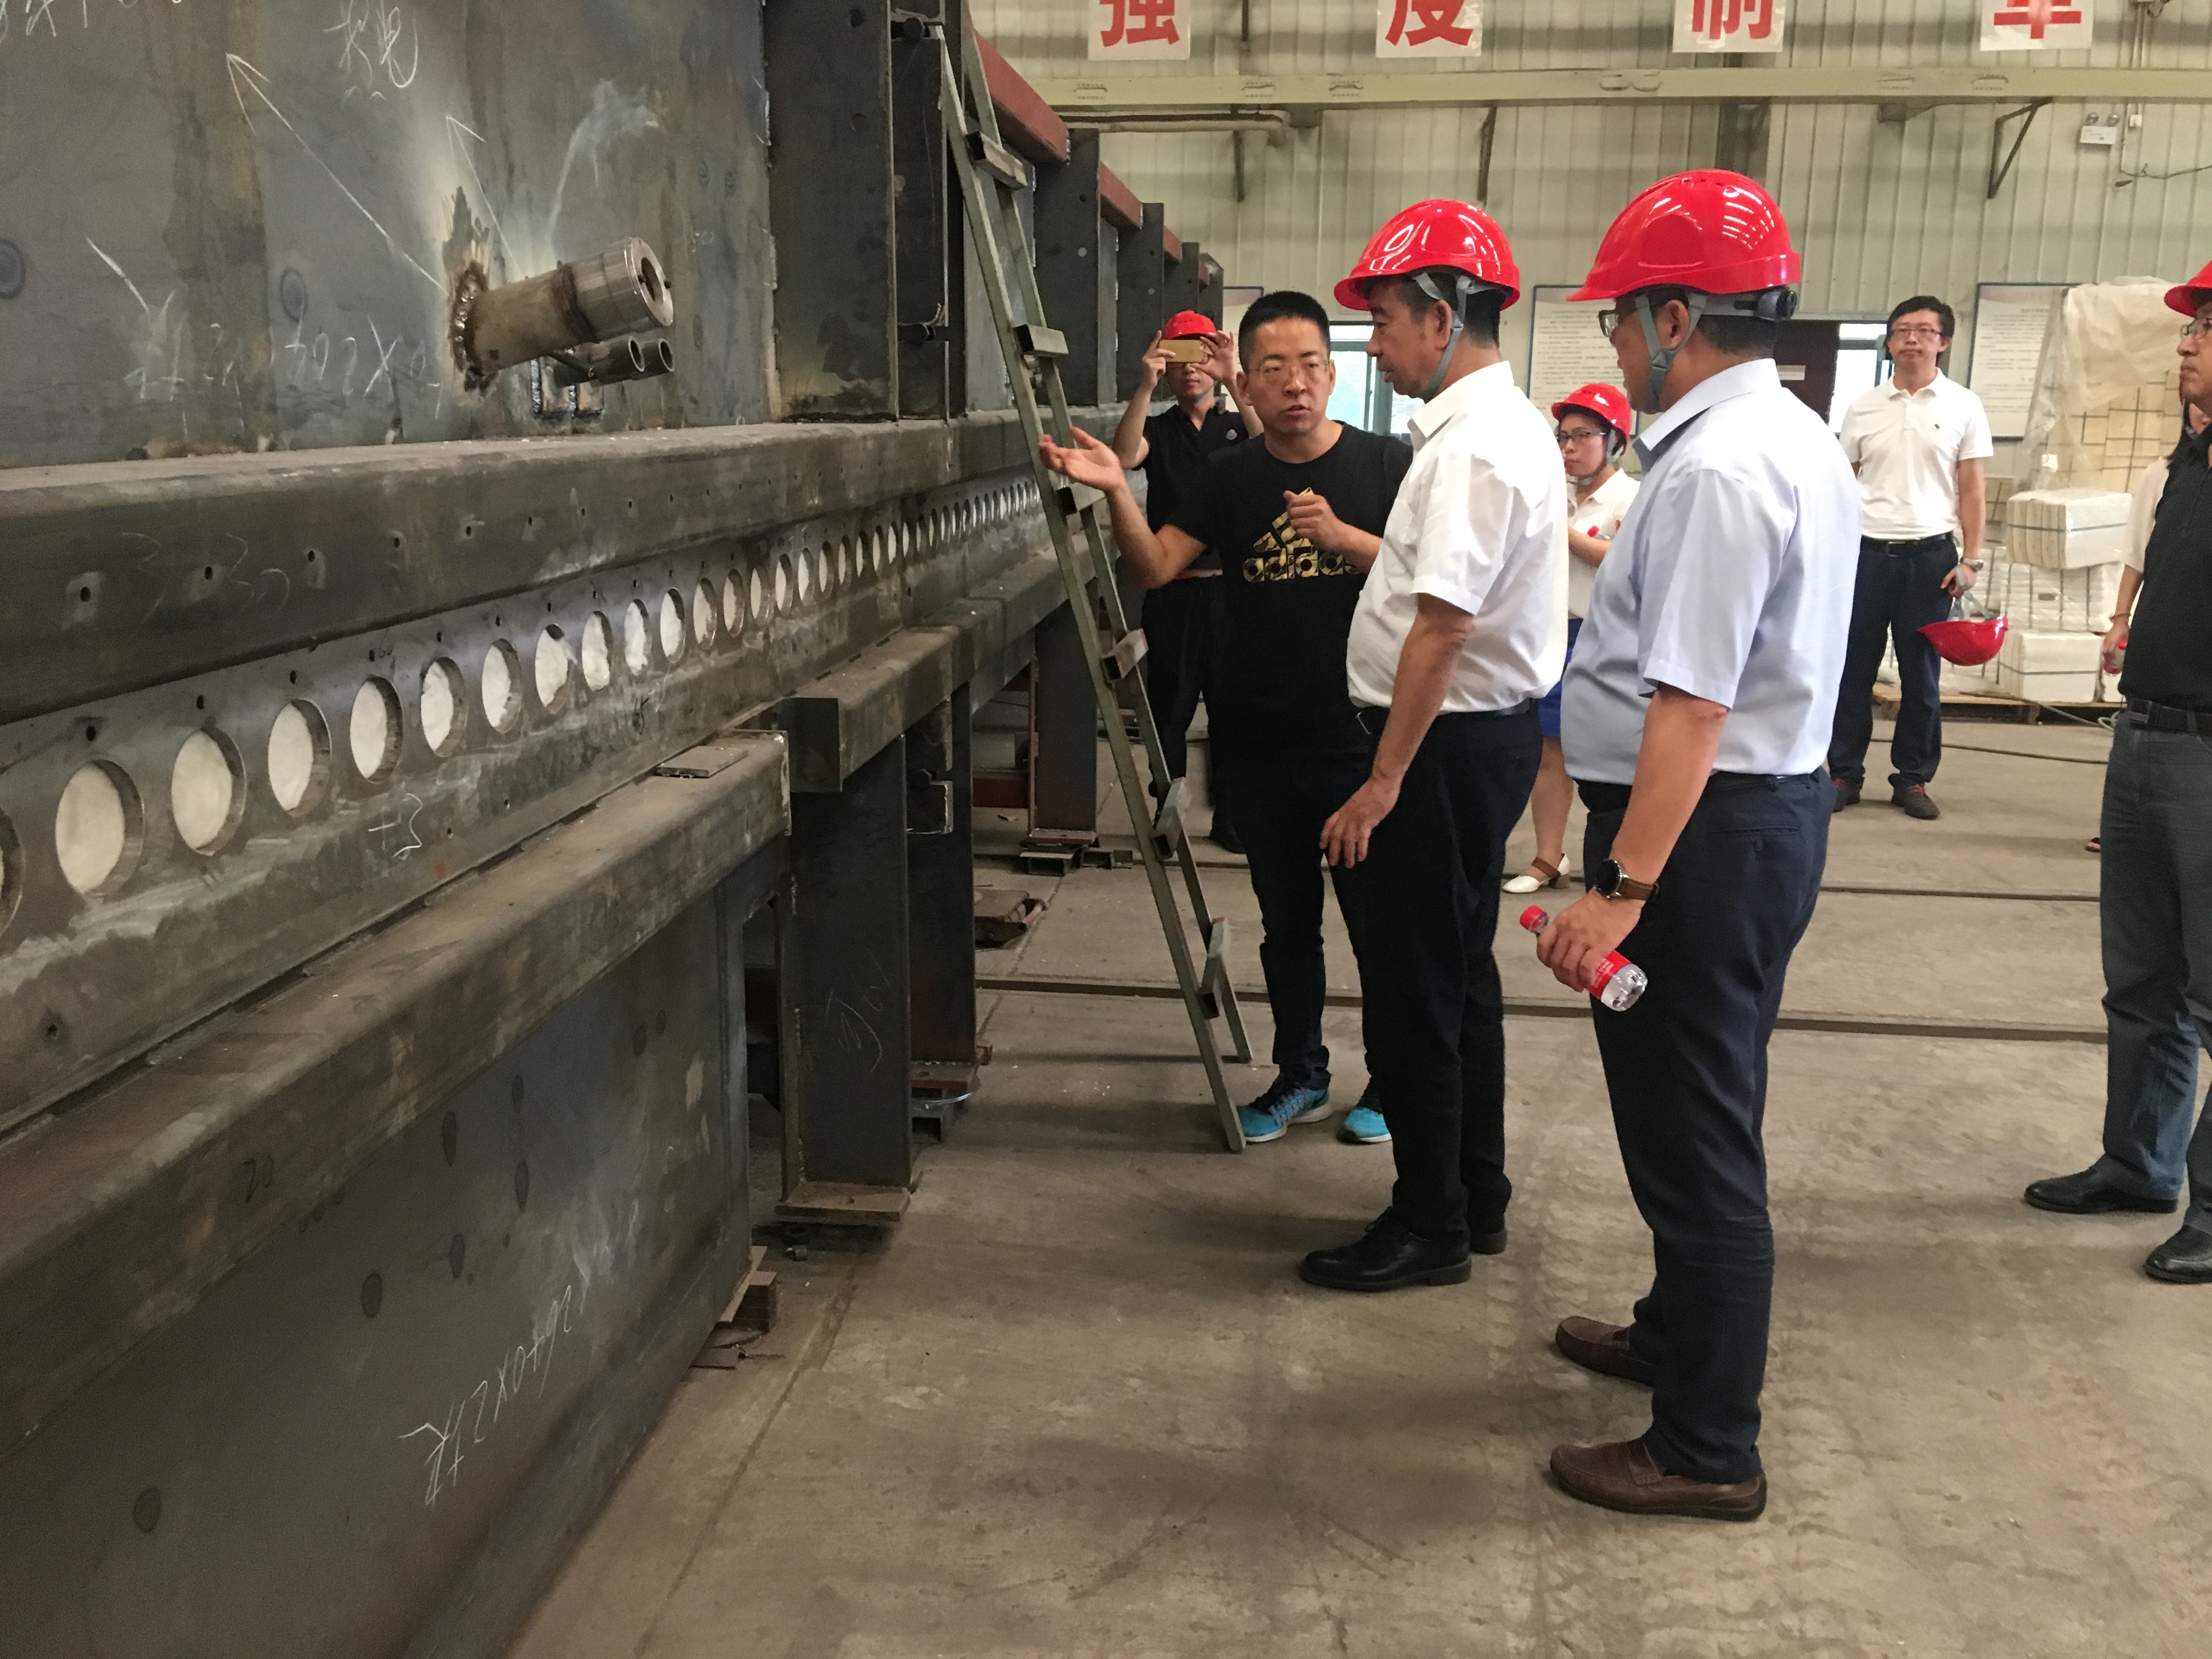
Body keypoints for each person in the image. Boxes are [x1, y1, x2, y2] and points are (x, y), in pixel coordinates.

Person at [1534, 171, 1860, 1519]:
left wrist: (1620, 889)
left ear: (1676, 317)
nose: (1613, 346)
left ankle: (1707, 1447)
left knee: (1697, 1133)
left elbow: (1693, 705)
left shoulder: (1725, 467)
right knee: (1693, 1102)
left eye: (1620, 320)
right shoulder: (1777, 437)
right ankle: (1676, 1334)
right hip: (1738, 826)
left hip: (1702, 836)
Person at [1043, 291, 1410, 1149]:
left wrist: (1347, 539)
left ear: (1332, 373)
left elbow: (1440, 578)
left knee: (1379, 927)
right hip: (1261, 740)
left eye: (1309, 365)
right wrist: (1117, 491)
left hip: (1359, 741)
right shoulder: (1231, 476)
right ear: (1249, 378)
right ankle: (1302, 1076)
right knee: (1288, 929)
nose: (1295, 384)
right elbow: (1157, 566)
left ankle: (1394, 1080)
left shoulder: (1387, 466)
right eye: (1274, 368)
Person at [1297, 200, 1566, 1292]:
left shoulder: (1475, 448)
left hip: (1441, 752)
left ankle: (1428, 1221)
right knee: (1457, 979)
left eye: (1384, 320)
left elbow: (1444, 628)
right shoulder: (1492, 429)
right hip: (1468, 744)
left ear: (1444, 316)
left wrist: (1381, 781)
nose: (1375, 344)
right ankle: (1472, 1195)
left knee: (1414, 991)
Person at [2023, 260, 2212, 1286]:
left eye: (2205, 328)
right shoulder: (2185, 466)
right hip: (2144, 740)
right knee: (2141, 981)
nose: (2185, 343)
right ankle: (2139, 1163)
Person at [1827, 296, 1994, 821]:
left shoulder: (1964, 406)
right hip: (1865, 555)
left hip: (1931, 559)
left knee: (1921, 677)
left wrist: (1972, 559)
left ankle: (1913, 779)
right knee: (1852, 670)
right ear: (1890, 341)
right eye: (1902, 330)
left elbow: (1972, 488)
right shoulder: (1864, 406)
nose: (1912, 339)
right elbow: (1842, 482)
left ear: (1944, 341)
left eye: (1924, 330)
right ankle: (1843, 773)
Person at [1111, 309, 1252, 854]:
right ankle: (1167, 813)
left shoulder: (1236, 427)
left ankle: (1232, 817)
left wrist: (1233, 376)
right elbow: (1124, 457)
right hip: (1173, 588)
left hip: (1233, 592)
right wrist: (1144, 387)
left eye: (1200, 355)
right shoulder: (1159, 430)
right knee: (1169, 709)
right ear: (1165, 369)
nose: (1190, 369)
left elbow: (1273, 445)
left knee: (1233, 709)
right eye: (1178, 358)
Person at [1507, 384, 1639, 895]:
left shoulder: (1633, 498)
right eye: (1563, 436)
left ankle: (1625, 863)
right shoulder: (1553, 494)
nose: (1569, 447)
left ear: (1615, 441)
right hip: (1549, 631)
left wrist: (1558, 532)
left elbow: (1622, 564)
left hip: (1606, 637)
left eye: (1583, 436)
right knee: (1549, 751)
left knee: (1612, 753)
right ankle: (1548, 857)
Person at [2086, 397, 2207, 854]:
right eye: (2195, 407)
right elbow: (2137, 555)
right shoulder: (2164, 475)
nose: (2203, 415)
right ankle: (2124, 824)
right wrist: (2121, 619)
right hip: (2159, 634)